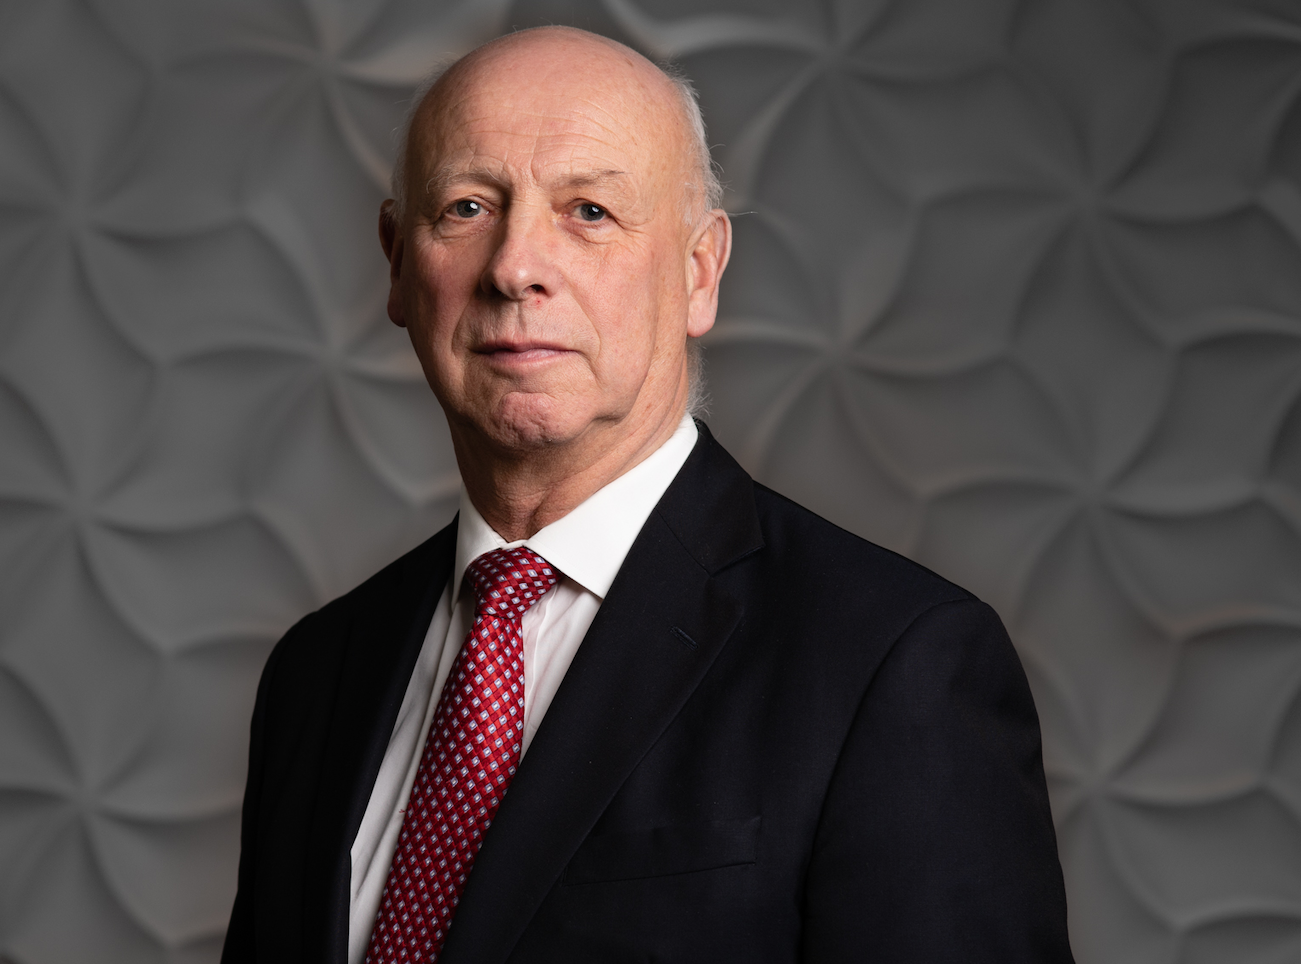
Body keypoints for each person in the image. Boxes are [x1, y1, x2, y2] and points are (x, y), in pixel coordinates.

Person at [222, 25, 1074, 964]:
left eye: (589, 211)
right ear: (396, 262)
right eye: (467, 207)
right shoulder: (318, 673)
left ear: (699, 271)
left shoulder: (894, 665)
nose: (514, 267)